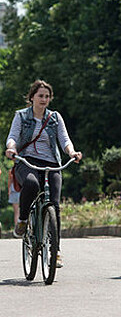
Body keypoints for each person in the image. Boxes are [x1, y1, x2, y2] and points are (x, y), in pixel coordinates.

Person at [5, 80, 82, 267]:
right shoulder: (21, 116)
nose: (44, 99)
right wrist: (11, 148)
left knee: (54, 204)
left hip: (51, 163)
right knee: (31, 184)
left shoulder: (55, 117)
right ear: (32, 97)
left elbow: (65, 139)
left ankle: (55, 252)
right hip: (26, 161)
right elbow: (13, 137)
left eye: (47, 96)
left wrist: (72, 152)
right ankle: (23, 220)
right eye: (40, 96)